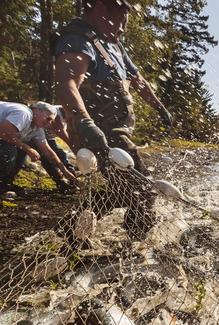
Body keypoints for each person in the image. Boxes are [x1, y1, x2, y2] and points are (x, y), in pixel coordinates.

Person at [53, 0, 172, 245]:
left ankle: (71, 228)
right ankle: (139, 245)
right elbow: (67, 83)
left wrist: (159, 106)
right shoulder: (78, 40)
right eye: (120, 21)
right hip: (101, 134)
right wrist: (85, 123)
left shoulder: (113, 45)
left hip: (118, 133)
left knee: (120, 190)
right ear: (99, 7)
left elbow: (138, 81)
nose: (123, 29)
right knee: (142, 188)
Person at [0, 101, 77, 195]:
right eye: (48, 118)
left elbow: (48, 151)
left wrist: (64, 171)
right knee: (8, 150)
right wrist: (28, 148)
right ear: (37, 111)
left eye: (51, 121)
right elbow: (3, 133)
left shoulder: (37, 129)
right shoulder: (24, 113)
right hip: (2, 136)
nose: (48, 124)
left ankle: (5, 183)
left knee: (19, 150)